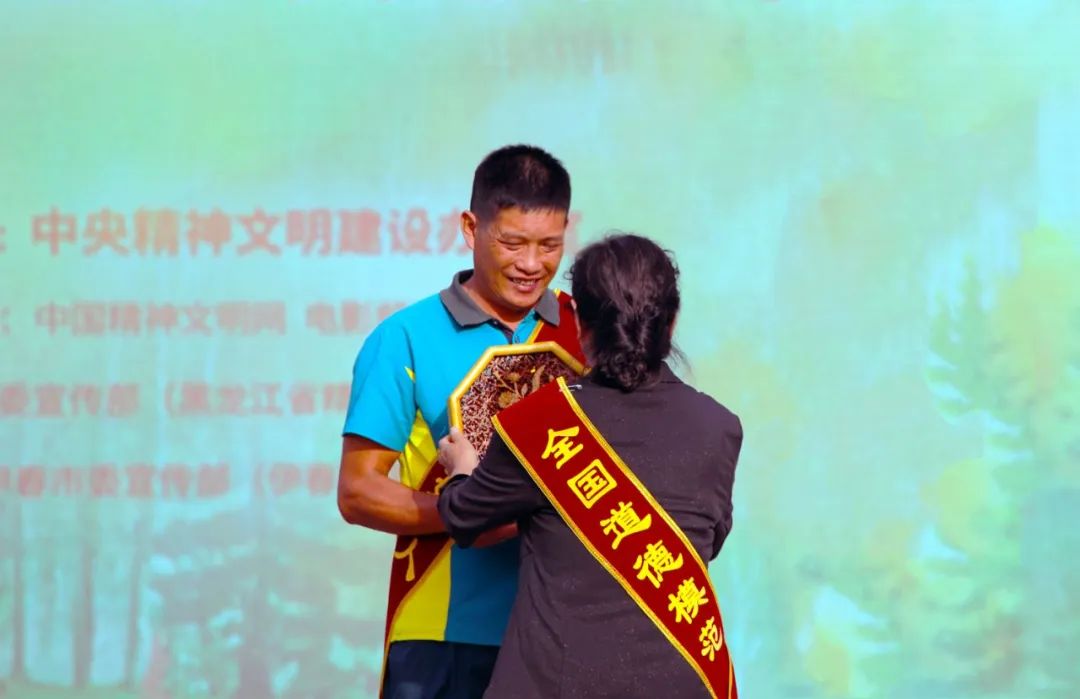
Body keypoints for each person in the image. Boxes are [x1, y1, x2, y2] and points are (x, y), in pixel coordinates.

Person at [436, 234, 743, 698]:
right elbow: (707, 540)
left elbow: (463, 516)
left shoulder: (539, 422)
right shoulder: (718, 427)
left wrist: (462, 468)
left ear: (578, 320)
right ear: (673, 320)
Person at [337, 145, 583, 698]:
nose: (531, 264)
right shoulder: (404, 337)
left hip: (566, 632)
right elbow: (357, 492)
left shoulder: (587, 332)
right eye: (512, 243)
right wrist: (473, 514)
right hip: (443, 635)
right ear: (471, 228)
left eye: (549, 245)